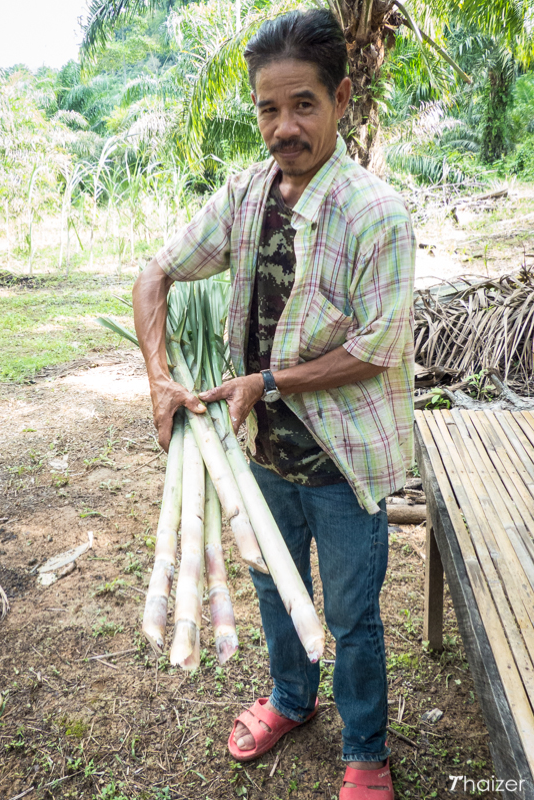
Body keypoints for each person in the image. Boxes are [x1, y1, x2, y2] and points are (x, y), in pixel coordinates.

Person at [130, 9, 414, 800]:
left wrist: (270, 383)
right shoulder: (245, 193)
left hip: (345, 459)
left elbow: (377, 348)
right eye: (267, 109)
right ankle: (292, 700)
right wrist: (160, 379)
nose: (283, 128)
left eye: (303, 106)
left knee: (353, 617)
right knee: (269, 586)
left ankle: (365, 749)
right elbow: (154, 273)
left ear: (343, 97)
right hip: (257, 456)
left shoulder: (375, 214)